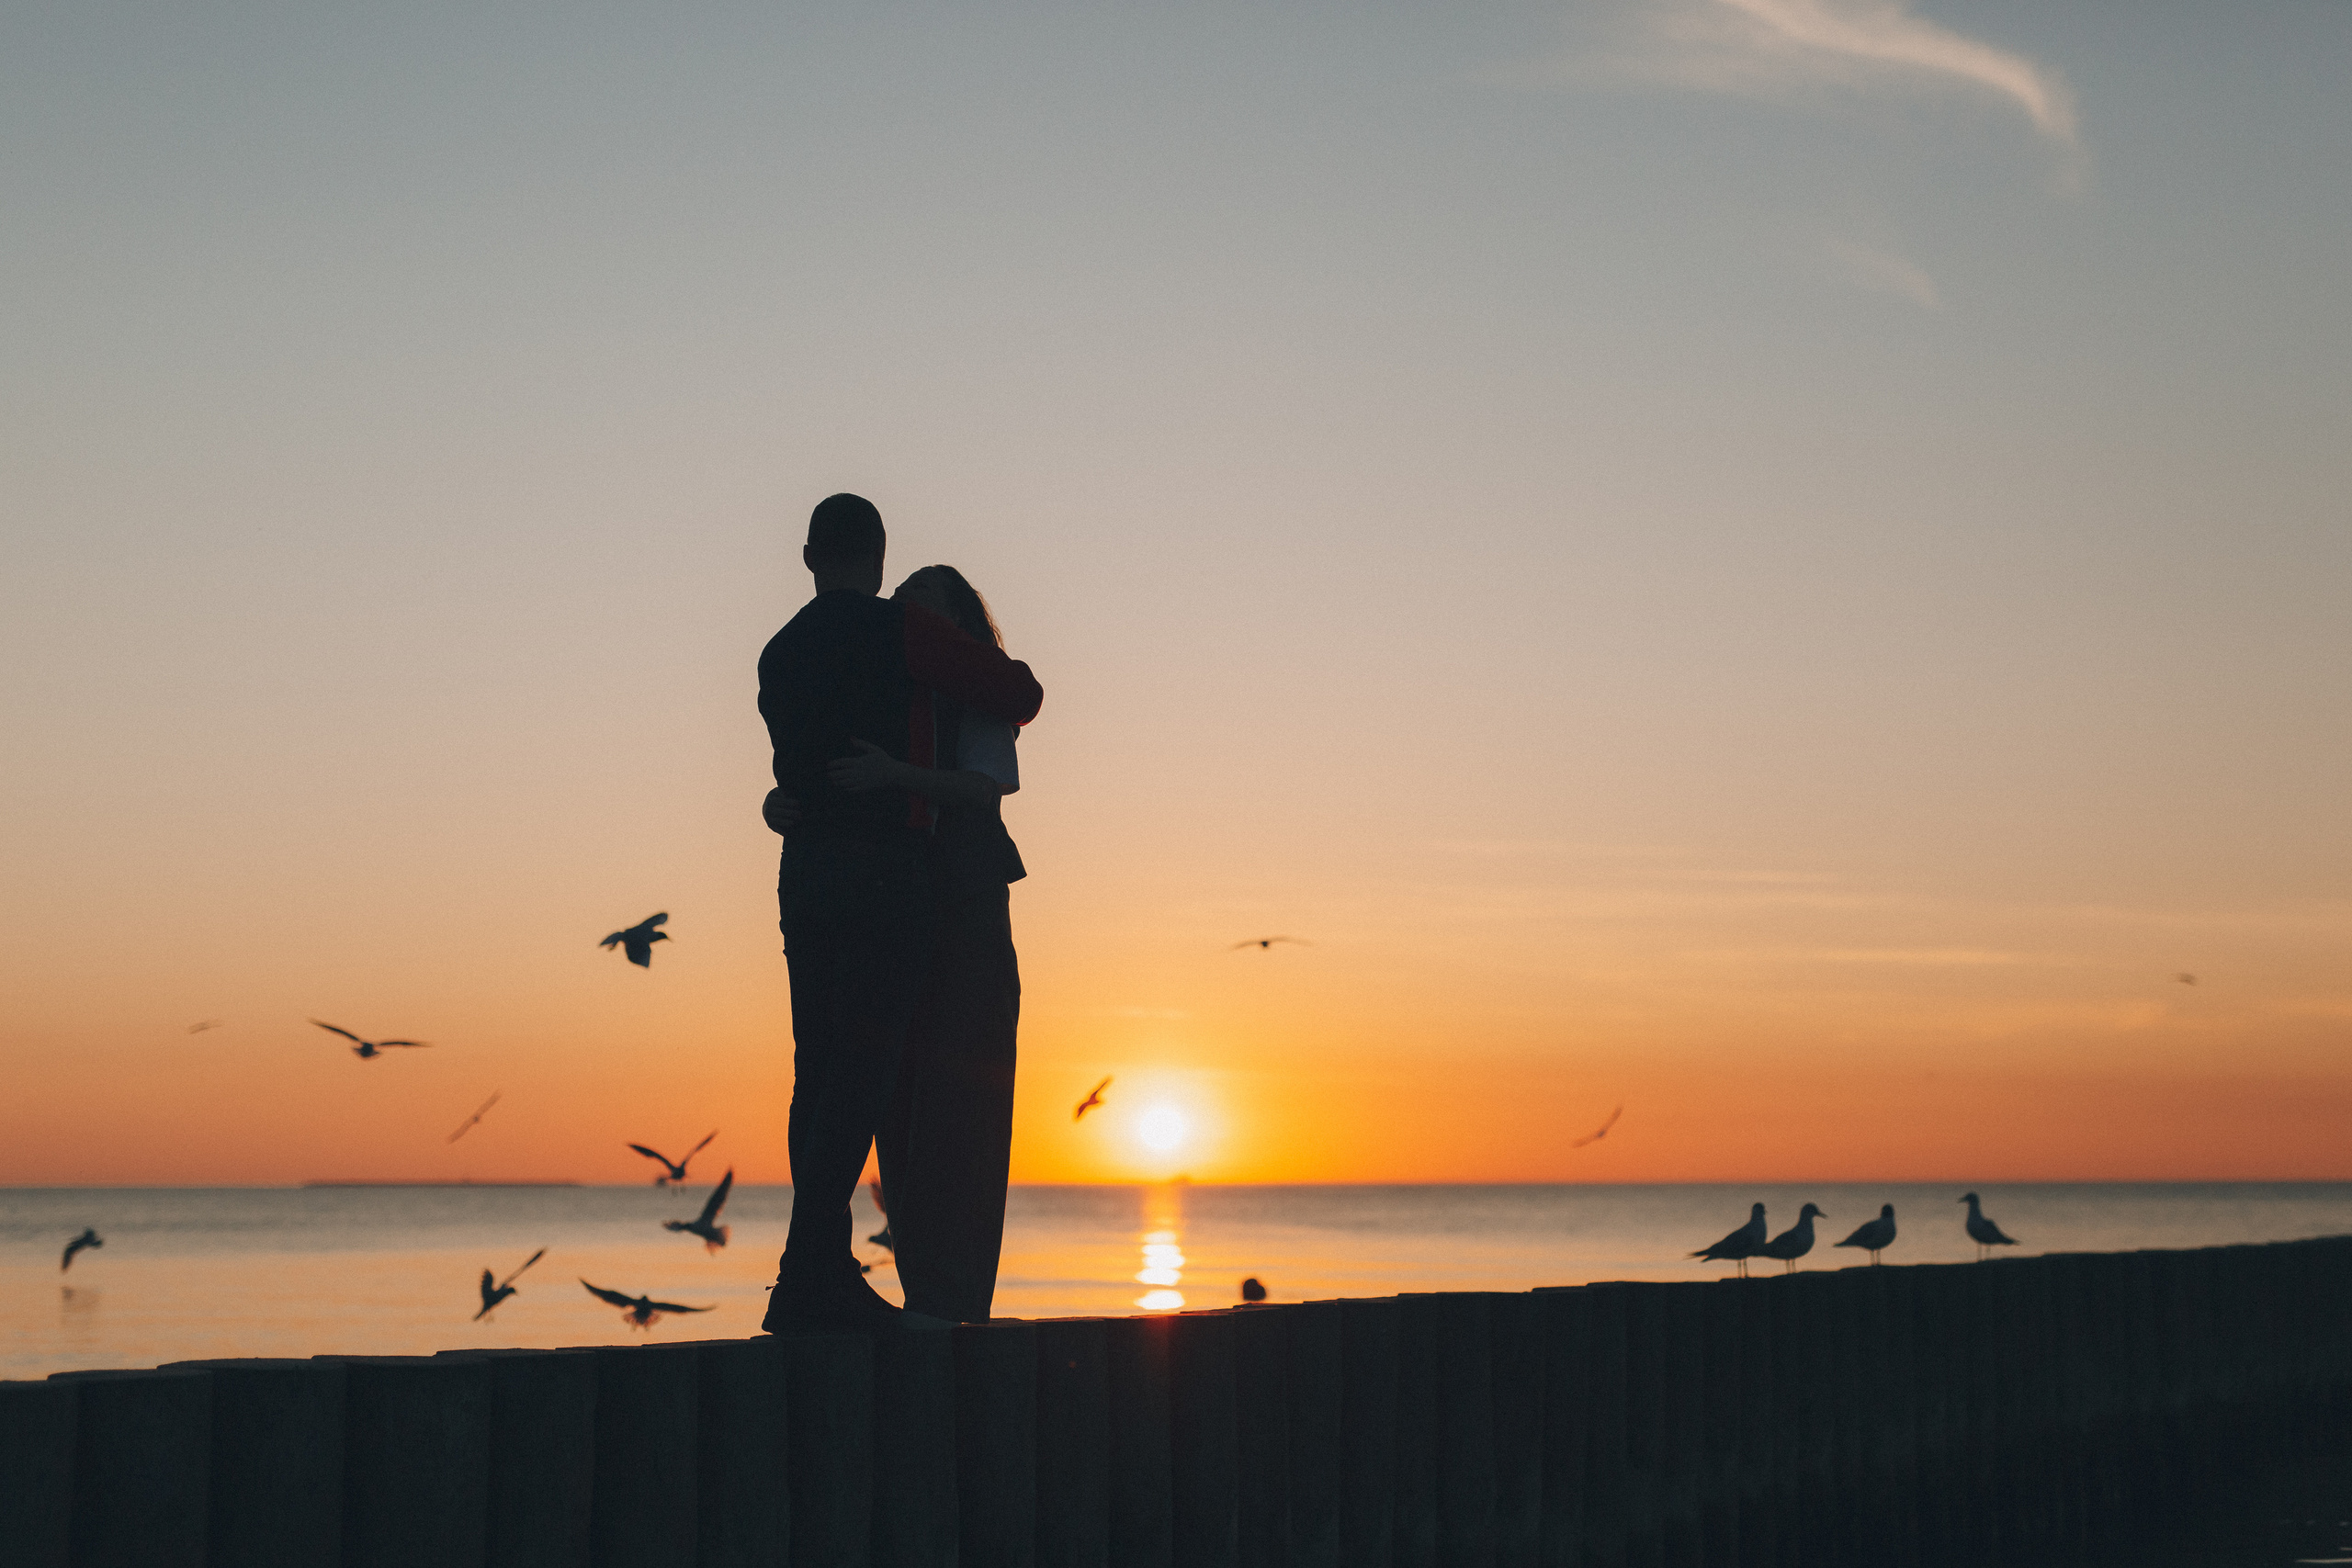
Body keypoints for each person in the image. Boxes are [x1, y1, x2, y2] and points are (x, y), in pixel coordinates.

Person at [756, 495, 1042, 1332]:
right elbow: (1018, 690)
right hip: (883, 877)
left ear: (807, 555)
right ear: (879, 557)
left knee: (821, 1075)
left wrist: (784, 802)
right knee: (869, 1077)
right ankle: (816, 1274)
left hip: (804, 874)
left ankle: (814, 1267)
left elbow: (801, 761)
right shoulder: (900, 635)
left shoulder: (777, 650)